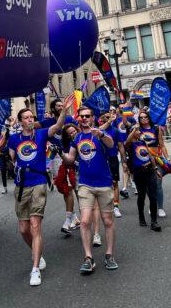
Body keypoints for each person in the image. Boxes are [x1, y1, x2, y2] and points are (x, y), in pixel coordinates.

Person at [7, 106, 66, 286]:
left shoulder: (40, 134)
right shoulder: (14, 139)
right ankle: (37, 252)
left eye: (31, 117)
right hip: (21, 186)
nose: (30, 120)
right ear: (20, 121)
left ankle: (35, 269)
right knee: (23, 229)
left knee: (34, 225)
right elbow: (12, 159)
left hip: (39, 182)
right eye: (26, 117)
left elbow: (57, 126)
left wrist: (64, 112)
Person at [61, 106, 118, 274]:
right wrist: (61, 154)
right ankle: (88, 258)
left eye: (87, 116)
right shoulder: (77, 137)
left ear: (93, 118)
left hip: (104, 183)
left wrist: (100, 134)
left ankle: (109, 255)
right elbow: (71, 159)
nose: (84, 118)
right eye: (82, 116)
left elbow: (111, 144)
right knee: (85, 221)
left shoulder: (100, 133)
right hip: (85, 184)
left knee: (107, 221)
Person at [124, 117, 161, 231]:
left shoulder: (142, 141)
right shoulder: (130, 144)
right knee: (141, 196)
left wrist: (156, 168)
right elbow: (126, 142)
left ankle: (154, 222)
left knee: (153, 197)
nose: (140, 132)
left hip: (149, 170)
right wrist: (134, 130)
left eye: (139, 130)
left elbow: (149, 155)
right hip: (139, 172)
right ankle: (141, 216)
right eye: (138, 131)